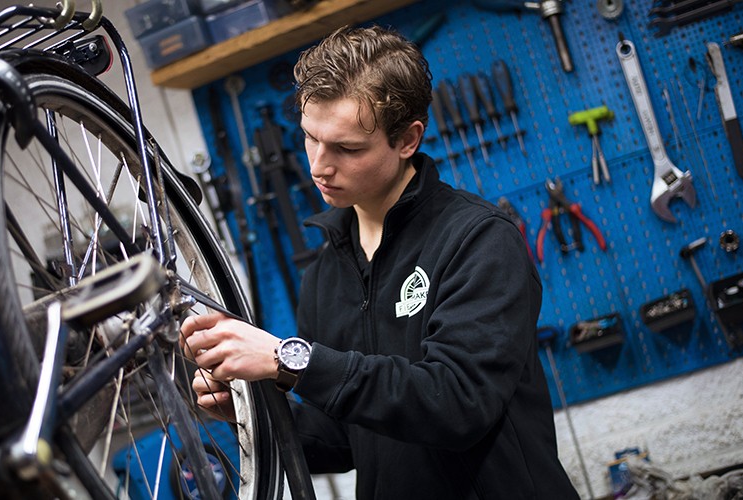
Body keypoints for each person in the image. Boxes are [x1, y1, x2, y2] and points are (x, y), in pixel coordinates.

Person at [181, 25, 578, 499]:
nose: (318, 166)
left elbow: (457, 404)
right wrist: (251, 415)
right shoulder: (325, 272)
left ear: (408, 140)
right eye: (310, 138)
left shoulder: (479, 241)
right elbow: (344, 439)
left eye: (347, 148)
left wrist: (288, 360)